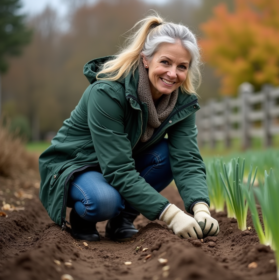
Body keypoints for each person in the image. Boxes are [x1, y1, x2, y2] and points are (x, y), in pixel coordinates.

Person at [38, 14, 219, 242]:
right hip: (76, 164)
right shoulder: (107, 93)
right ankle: (82, 219)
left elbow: (187, 159)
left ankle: (121, 221)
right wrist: (171, 215)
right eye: (165, 62)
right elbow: (118, 169)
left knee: (167, 155)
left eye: (181, 66)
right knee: (104, 201)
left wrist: (201, 208)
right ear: (146, 59)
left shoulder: (181, 102)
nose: (172, 74)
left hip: (118, 161)